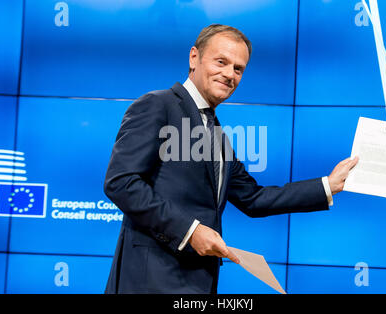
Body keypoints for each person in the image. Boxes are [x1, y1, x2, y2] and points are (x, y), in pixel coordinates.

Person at [103, 24, 359, 294]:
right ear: (194, 58)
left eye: (238, 69)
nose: (229, 75)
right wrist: (191, 230)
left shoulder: (217, 135)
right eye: (221, 62)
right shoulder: (158, 105)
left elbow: (253, 198)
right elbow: (121, 182)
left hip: (197, 282)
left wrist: (328, 185)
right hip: (151, 280)